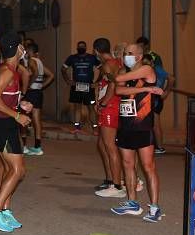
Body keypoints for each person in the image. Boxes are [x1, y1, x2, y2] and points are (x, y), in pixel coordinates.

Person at [0, 32, 33, 232]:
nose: (23, 49)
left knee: (10, 169)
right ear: (17, 49)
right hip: (2, 124)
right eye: (22, 46)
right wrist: (17, 116)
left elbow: (6, 97)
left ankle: (4, 210)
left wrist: (22, 104)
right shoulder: (7, 71)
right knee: (18, 170)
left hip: (2, 123)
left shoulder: (10, 69)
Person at [110, 44, 164, 222]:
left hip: (142, 126)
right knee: (128, 165)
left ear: (140, 56)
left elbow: (118, 79)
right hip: (126, 125)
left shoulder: (146, 69)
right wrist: (145, 89)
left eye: (130, 53)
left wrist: (125, 79)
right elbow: (119, 90)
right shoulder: (127, 72)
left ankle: (155, 207)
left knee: (148, 167)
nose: (126, 56)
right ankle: (132, 202)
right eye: (125, 53)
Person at [93, 38, 127, 198]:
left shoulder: (108, 64)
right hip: (112, 105)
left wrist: (103, 103)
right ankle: (110, 179)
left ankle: (117, 185)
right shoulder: (115, 62)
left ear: (96, 51)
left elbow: (113, 85)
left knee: (110, 146)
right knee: (102, 144)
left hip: (111, 107)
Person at [22, 42, 53, 155]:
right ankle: (37, 147)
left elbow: (34, 73)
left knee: (24, 117)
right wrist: (42, 85)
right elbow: (51, 75)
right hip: (38, 92)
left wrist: (28, 85)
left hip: (31, 92)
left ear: (30, 51)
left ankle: (23, 146)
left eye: (26, 50)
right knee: (36, 119)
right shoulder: (39, 62)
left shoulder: (31, 61)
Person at [62, 41, 100, 131]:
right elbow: (63, 69)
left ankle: (95, 127)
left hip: (89, 87)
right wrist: (67, 80)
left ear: (86, 48)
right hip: (76, 87)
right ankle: (77, 127)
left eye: (83, 46)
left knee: (91, 107)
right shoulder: (72, 58)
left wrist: (96, 82)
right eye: (79, 47)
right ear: (77, 48)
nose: (81, 48)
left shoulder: (92, 58)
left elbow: (102, 69)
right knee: (77, 107)